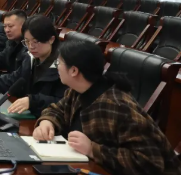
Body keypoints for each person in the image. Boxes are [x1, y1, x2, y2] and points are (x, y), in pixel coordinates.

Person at [34, 40, 181, 175]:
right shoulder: (77, 90)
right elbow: (58, 110)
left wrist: (92, 149)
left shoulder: (117, 106)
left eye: (59, 63)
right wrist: (47, 122)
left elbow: (149, 163)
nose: (57, 67)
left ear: (74, 71)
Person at [0, 15, 67, 117]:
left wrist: (32, 101)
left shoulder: (64, 67)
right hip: (26, 115)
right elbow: (12, 80)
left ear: (51, 39)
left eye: (36, 41)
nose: (31, 46)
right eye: (27, 41)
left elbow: (64, 102)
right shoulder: (29, 59)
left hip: (47, 120)